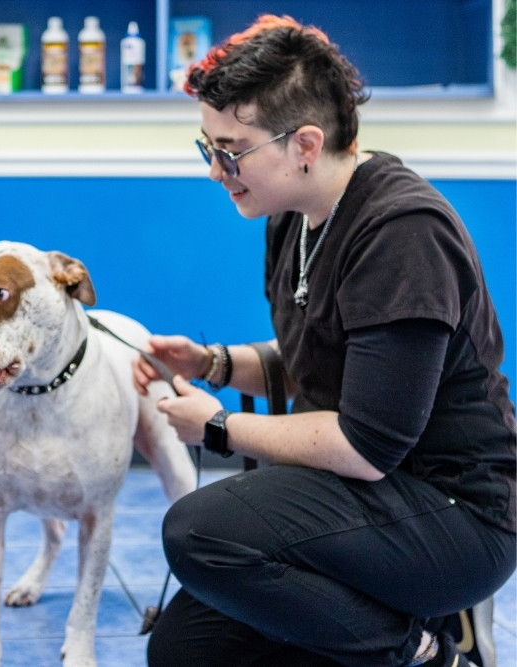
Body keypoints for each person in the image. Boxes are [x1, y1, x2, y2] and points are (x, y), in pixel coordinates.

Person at [134, 14, 516, 667]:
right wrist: (214, 363)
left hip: (454, 513)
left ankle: (427, 649)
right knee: (185, 651)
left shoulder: (403, 231)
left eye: (230, 150)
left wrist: (218, 426)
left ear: (305, 143)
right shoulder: (295, 219)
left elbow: (366, 445)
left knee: (199, 531)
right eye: (207, 148)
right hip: (372, 499)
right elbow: (317, 360)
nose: (215, 170)